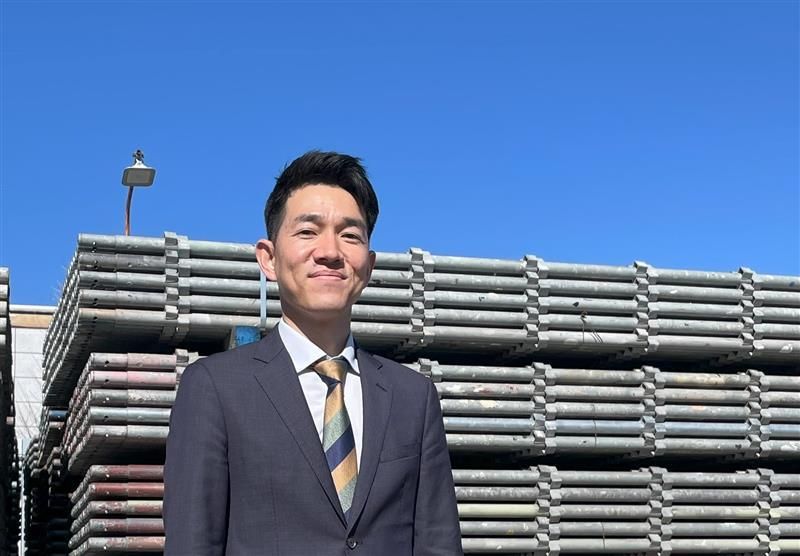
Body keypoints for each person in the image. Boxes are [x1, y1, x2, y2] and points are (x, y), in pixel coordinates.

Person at [163, 150, 462, 555]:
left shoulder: (413, 397)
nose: (330, 251)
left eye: (350, 235)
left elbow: (439, 544)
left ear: (369, 265)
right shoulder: (215, 388)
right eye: (307, 231)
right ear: (268, 258)